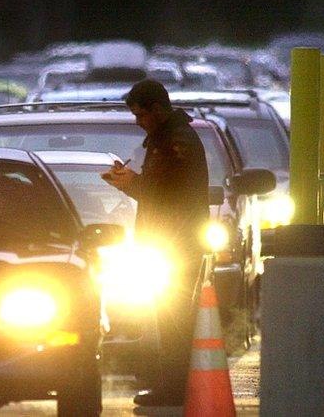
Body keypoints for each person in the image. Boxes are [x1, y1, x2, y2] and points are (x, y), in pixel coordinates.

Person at [102, 79, 210, 408]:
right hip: (167, 243)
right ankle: (172, 386)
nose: (138, 122)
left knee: (175, 321)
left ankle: (175, 389)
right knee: (168, 320)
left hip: (177, 245)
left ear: (158, 110)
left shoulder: (177, 142)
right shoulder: (165, 139)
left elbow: (167, 193)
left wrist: (131, 183)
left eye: (141, 115)